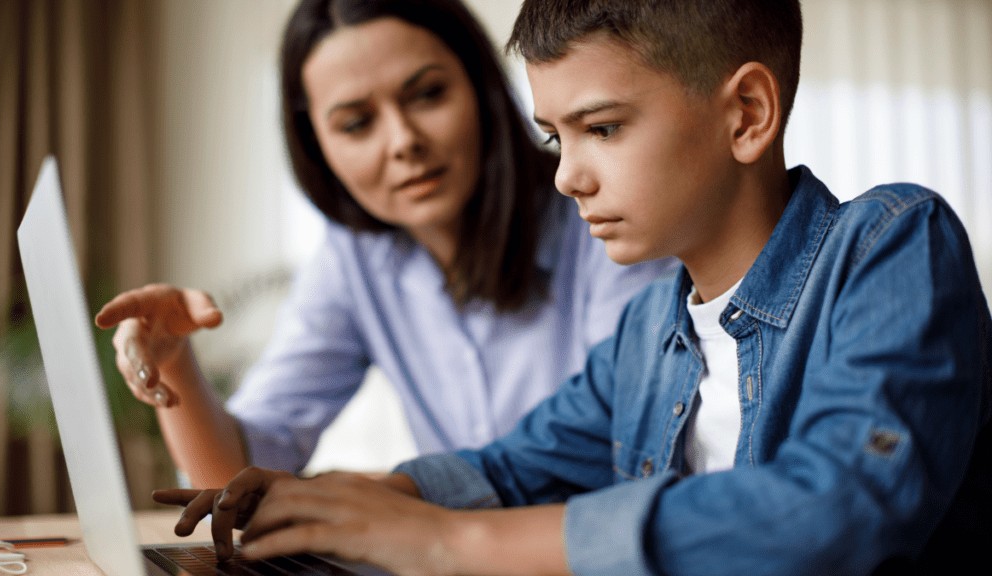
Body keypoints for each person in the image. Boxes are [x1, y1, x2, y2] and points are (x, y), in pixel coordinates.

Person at [153, 0, 992, 574]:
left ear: (746, 115)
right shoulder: (647, 336)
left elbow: (843, 504)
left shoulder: (890, 243)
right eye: (554, 135)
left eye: (602, 128)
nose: (566, 177)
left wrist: (452, 545)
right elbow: (512, 467)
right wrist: (341, 502)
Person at [94, 0, 674, 489]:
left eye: (427, 95)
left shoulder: (604, 219)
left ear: (480, 88)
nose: (403, 142)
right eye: (355, 124)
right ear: (316, 145)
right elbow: (236, 479)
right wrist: (176, 365)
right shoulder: (354, 259)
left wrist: (391, 499)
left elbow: (620, 450)